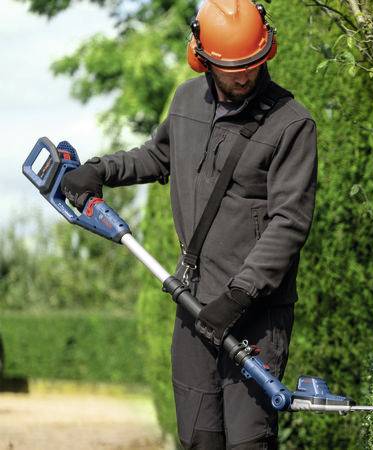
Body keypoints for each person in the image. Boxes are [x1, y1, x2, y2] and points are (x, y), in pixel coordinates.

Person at [60, 0, 317, 448]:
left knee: (248, 442)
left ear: (267, 51)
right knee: (199, 438)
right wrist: (101, 170)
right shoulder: (185, 102)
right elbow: (157, 155)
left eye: (253, 64)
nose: (244, 76)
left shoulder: (291, 124)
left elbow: (289, 223)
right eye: (232, 68)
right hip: (192, 302)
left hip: (255, 312)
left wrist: (238, 296)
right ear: (203, 58)